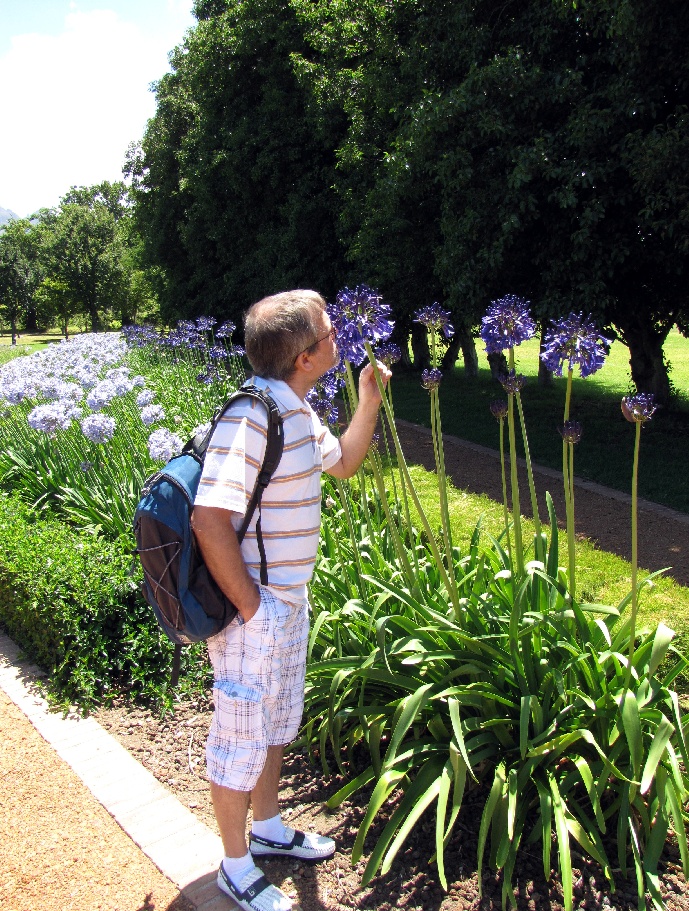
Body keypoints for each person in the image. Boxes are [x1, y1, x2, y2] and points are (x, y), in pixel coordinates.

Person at [192, 289, 391, 911]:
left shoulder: (297, 408)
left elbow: (345, 463)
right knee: (239, 738)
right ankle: (235, 865)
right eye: (330, 332)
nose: (339, 337)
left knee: (275, 724)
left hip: (287, 603)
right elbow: (208, 518)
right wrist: (253, 609)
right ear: (305, 357)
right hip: (254, 612)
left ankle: (269, 828)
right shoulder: (253, 416)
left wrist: (368, 401)